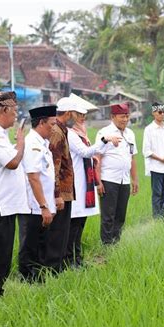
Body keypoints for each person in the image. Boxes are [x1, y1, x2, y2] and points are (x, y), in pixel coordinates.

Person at [0, 91, 29, 309]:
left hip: (5, 207)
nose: (16, 116)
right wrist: (20, 142)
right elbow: (12, 162)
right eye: (15, 111)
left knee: (2, 257)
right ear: (5, 110)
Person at [66, 107, 121, 267]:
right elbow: (85, 152)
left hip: (85, 183)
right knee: (73, 226)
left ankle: (77, 259)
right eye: (79, 114)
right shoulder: (71, 134)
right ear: (71, 115)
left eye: (84, 115)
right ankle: (70, 260)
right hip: (76, 184)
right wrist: (104, 140)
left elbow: (91, 153)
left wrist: (95, 158)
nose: (83, 118)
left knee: (79, 224)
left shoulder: (81, 133)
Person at [18, 105, 57, 283]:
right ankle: (28, 280)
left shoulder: (43, 143)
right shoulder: (32, 144)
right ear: (41, 123)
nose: (54, 128)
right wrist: (43, 206)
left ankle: (38, 278)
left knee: (41, 244)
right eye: (52, 124)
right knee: (30, 246)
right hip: (34, 206)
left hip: (43, 205)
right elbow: (33, 177)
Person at [46, 97, 83, 273]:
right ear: (68, 113)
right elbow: (55, 164)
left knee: (63, 231)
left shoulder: (62, 130)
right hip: (60, 191)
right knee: (57, 232)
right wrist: (56, 193)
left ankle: (59, 265)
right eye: (74, 113)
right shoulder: (57, 132)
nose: (75, 116)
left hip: (66, 191)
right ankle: (54, 268)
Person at [95, 103, 138, 245]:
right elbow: (97, 159)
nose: (125, 119)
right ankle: (106, 245)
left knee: (120, 215)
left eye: (127, 116)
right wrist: (98, 182)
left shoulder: (130, 134)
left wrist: (135, 179)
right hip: (108, 180)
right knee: (108, 215)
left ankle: (116, 242)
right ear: (112, 117)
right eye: (121, 117)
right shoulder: (104, 133)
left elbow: (132, 158)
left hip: (124, 180)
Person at [142, 102, 164, 219]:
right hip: (156, 167)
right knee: (157, 194)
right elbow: (146, 150)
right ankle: (157, 218)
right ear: (154, 113)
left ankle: (163, 216)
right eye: (160, 112)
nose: (162, 115)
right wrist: (161, 159)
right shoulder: (149, 129)